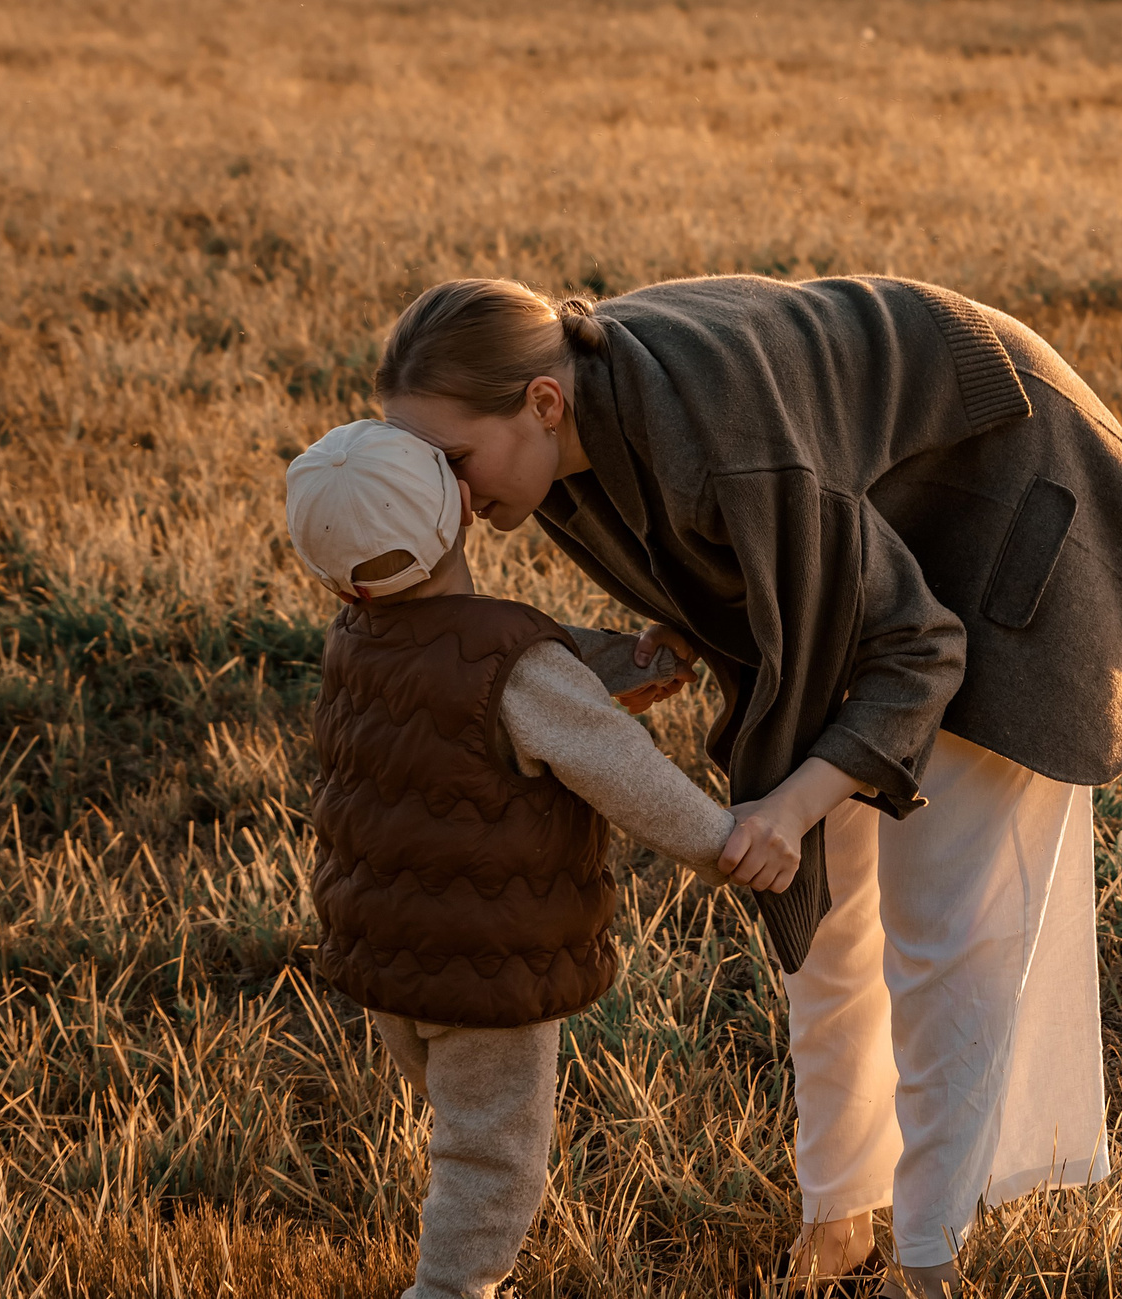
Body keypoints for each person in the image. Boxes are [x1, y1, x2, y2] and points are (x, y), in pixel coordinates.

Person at [376, 275, 1122, 1297]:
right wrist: (693, 630)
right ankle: (839, 1217)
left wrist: (791, 804)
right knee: (825, 921)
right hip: (863, 518)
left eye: (452, 460)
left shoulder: (729, 450)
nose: (447, 493)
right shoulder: (547, 455)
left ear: (542, 402)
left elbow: (917, 646)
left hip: (999, 486)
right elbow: (746, 563)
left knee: (946, 924)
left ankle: (931, 1255)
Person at [284, 419, 826, 1299]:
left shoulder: (360, 635)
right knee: (492, 1159)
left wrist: (618, 659)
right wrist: (722, 842)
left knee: (459, 1120)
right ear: (461, 505)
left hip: (382, 949)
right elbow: (618, 766)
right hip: (491, 959)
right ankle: (451, 1290)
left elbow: (509, 670)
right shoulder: (521, 667)